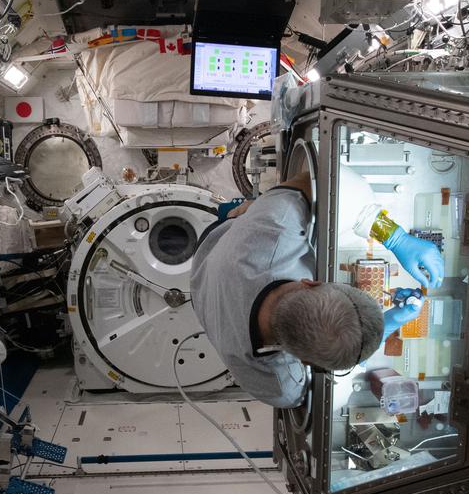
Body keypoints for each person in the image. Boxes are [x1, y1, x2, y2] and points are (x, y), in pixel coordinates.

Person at [190, 171, 444, 407]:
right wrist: (387, 326)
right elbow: (328, 395)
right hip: (208, 288)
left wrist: (393, 235)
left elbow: (321, 178)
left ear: (312, 282)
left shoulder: (278, 225)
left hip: (212, 253)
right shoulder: (277, 386)